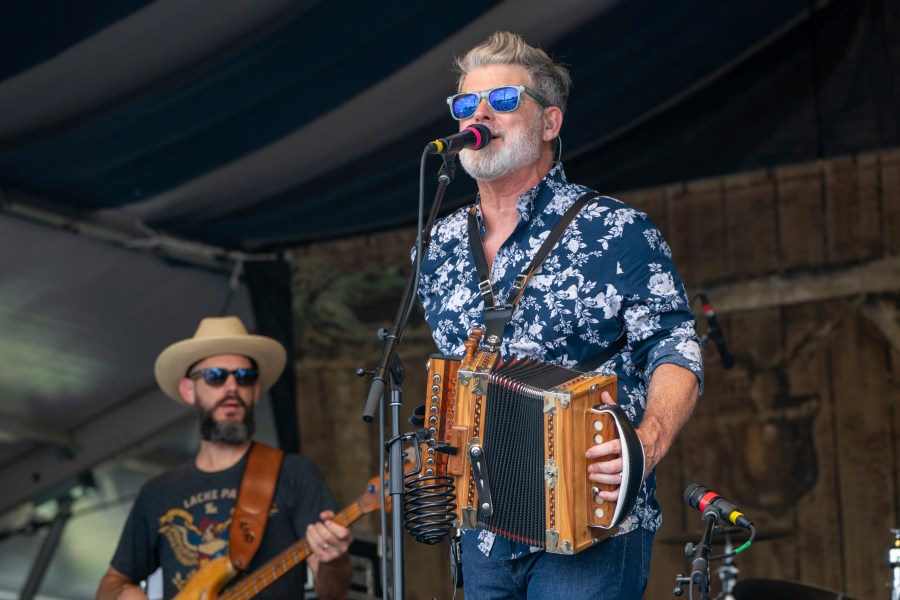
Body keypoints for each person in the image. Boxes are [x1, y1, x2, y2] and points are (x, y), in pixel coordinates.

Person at [416, 32, 703, 599]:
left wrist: (647, 443)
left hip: (590, 519)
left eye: (502, 101)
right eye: (466, 104)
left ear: (550, 123)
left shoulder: (616, 229)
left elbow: (677, 350)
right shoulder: (436, 245)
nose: (479, 115)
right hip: (482, 532)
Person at [96, 316, 352, 600]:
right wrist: (125, 595)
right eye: (216, 376)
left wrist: (334, 560)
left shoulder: (293, 473)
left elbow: (334, 594)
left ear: (255, 391)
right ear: (188, 389)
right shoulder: (158, 492)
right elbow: (113, 583)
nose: (232, 387)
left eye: (244, 377)